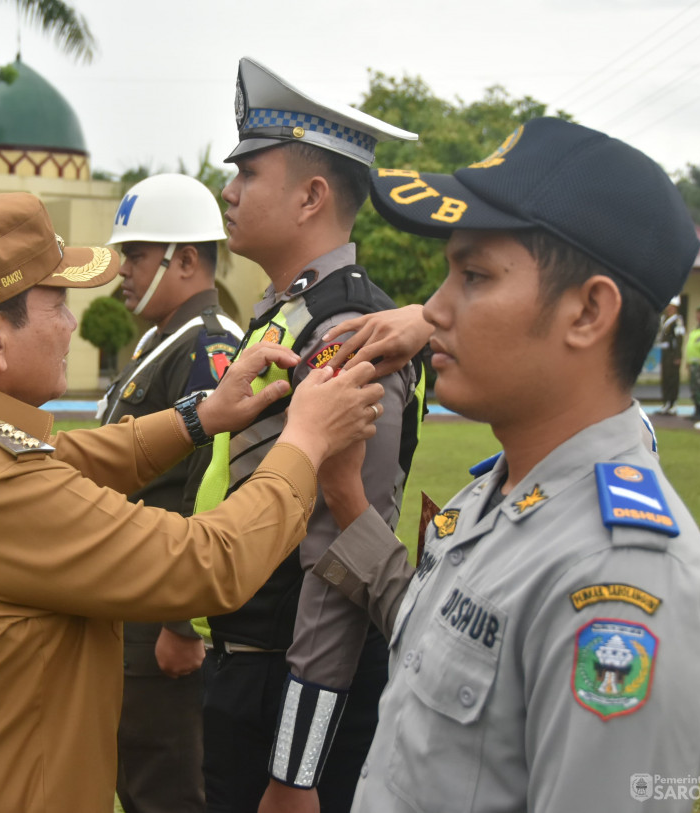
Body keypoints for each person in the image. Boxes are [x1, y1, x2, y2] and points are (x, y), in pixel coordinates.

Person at [0, 192, 387, 813]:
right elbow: (205, 563)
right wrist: (305, 441)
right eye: (57, 304)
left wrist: (200, 416)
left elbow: (52, 460)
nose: (72, 324)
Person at [312, 117, 700, 812]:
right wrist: (344, 491)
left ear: (587, 312)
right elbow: (437, 638)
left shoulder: (620, 583)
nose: (432, 308)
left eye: (475, 275)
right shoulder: (504, 487)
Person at [195, 56, 424, 813]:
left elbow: (337, 562)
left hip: (287, 692)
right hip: (244, 668)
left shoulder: (348, 332)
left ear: (311, 196)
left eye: (247, 173)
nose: (227, 191)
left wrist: (295, 770)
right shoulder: (291, 312)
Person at [101, 174, 242, 813]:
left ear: (185, 259)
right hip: (133, 597)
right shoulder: (163, 341)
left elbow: (209, 485)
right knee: (135, 775)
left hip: (163, 608)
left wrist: (182, 621)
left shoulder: (209, 346)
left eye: (135, 254)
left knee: (166, 785)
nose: (121, 269)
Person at [655, 295, 684, 414]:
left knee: (673, 378)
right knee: (665, 378)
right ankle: (666, 402)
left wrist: (678, 356)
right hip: (665, 353)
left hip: (673, 353)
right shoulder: (664, 319)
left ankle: (673, 403)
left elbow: (679, 339)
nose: (668, 308)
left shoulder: (677, 321)